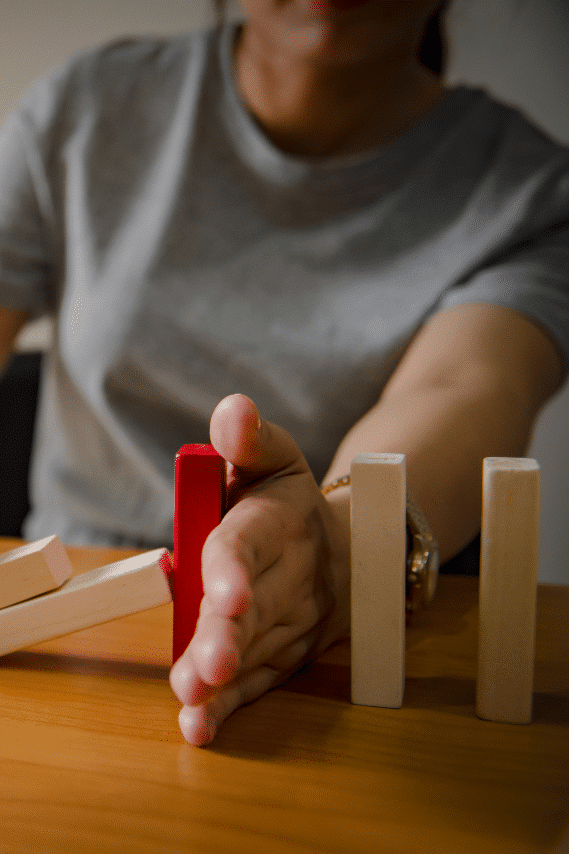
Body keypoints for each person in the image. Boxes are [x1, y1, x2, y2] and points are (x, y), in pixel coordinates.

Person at [0, 0, 567, 746]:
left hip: (325, 641)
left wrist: (330, 551)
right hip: (71, 632)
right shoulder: (84, 107)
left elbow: (462, 390)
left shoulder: (530, 192)